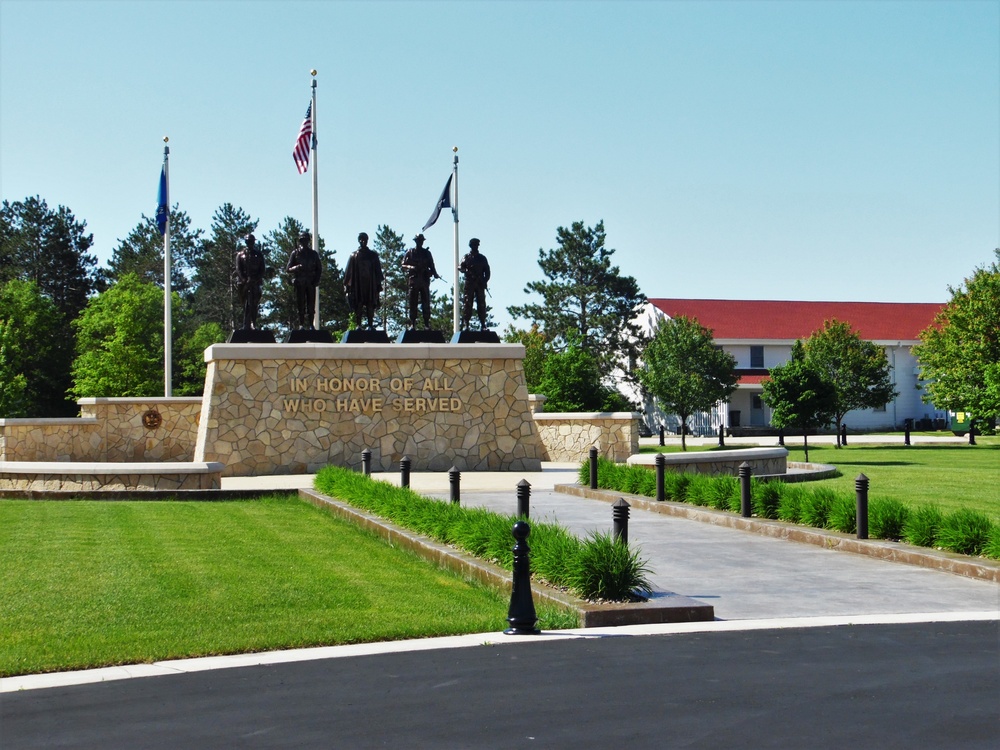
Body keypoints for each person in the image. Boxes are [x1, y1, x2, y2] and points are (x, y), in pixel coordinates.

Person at [344, 232, 384, 329]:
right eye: (361, 239)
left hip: (370, 284)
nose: (363, 241)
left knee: (370, 304)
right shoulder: (353, 256)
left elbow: (378, 271)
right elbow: (348, 272)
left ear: (367, 240)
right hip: (358, 285)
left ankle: (370, 325)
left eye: (364, 239)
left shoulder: (373, 255)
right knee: (359, 304)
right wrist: (346, 286)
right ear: (359, 241)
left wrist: (378, 285)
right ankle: (359, 325)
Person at [401, 233, 440, 329]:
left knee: (426, 302)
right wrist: (412, 267)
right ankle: (413, 323)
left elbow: (432, 265)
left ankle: (426, 324)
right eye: (418, 241)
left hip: (424, 280)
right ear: (415, 241)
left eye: (421, 241)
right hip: (414, 280)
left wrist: (434, 273)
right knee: (412, 303)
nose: (420, 242)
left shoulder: (427, 253)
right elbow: (403, 264)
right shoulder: (410, 252)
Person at [286, 231, 322, 329]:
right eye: (302, 240)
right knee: (300, 304)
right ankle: (301, 324)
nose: (304, 242)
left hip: (310, 282)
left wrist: (316, 280)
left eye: (306, 240)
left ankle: (311, 324)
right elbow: (288, 268)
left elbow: (319, 268)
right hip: (300, 282)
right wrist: (296, 267)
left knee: (311, 305)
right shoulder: (295, 253)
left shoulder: (313, 254)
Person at [235, 233, 266, 330]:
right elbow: (238, 269)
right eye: (248, 242)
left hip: (255, 282)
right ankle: (245, 324)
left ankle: (253, 323)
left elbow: (262, 269)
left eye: (252, 242)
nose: (250, 243)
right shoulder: (240, 255)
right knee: (245, 303)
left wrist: (256, 278)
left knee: (254, 303)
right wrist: (244, 279)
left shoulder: (258, 254)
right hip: (244, 283)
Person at [459, 237, 490, 330]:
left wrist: (484, 281)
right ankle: (466, 324)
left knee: (481, 304)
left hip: (479, 284)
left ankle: (483, 324)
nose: (475, 247)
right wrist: (466, 270)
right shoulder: (466, 257)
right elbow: (460, 267)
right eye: (473, 245)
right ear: (471, 246)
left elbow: (487, 271)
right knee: (468, 303)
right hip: (469, 283)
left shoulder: (482, 258)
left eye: (476, 245)